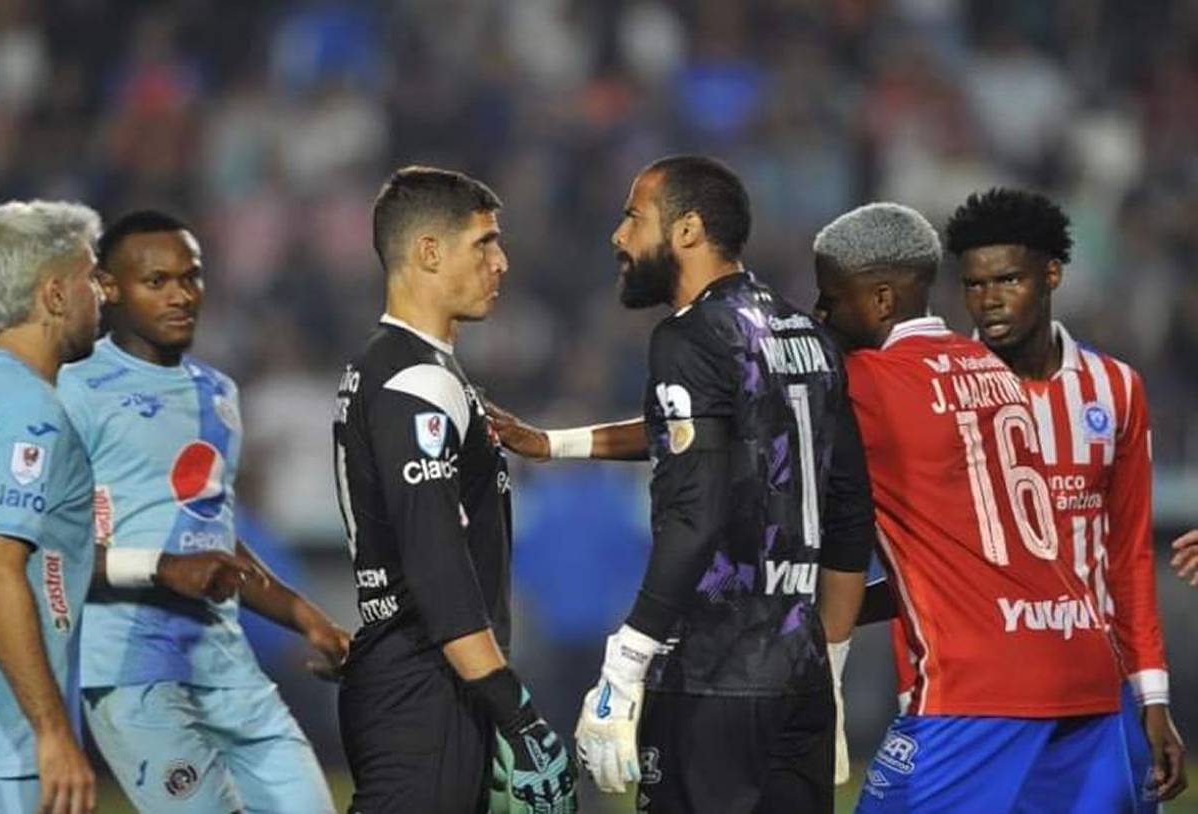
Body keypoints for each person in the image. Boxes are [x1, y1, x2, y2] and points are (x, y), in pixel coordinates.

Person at [500, 155, 877, 813]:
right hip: (801, 679)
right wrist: (834, 676)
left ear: (688, 230)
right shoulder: (810, 338)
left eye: (634, 217)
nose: (619, 236)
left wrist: (625, 665)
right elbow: (848, 513)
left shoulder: (690, 336)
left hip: (711, 680)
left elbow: (696, 512)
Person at [811, 202, 1133, 812]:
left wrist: (571, 442)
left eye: (830, 295)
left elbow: (728, 419)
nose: (820, 312)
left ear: (881, 300)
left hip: (980, 683)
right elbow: (978, 561)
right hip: (1083, 662)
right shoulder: (991, 367)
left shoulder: (869, 380)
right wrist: (834, 610)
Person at [56, 209, 346, 814]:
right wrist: (161, 569)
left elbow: (213, 537)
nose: (180, 295)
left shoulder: (218, 393)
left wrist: (306, 617)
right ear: (108, 288)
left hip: (225, 661)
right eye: (156, 281)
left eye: (191, 277)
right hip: (129, 672)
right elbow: (47, 551)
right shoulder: (73, 390)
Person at [332, 166, 576, 814]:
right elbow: (438, 567)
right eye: (485, 244)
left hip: (422, 679)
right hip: (425, 683)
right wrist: (516, 710)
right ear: (429, 252)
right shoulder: (416, 381)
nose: (502, 262)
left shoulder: (403, 368)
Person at [943, 187, 1186, 805]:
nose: (989, 300)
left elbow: (1127, 556)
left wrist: (1152, 697)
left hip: (1095, 693)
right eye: (974, 285)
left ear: (1052, 274)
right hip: (976, 698)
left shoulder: (1117, 389)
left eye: (1007, 279)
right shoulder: (936, 391)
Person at [0, 200, 102, 814]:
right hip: (3, 756)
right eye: (90, 276)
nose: (102, 292)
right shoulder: (30, 412)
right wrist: (52, 732)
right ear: (54, 295)